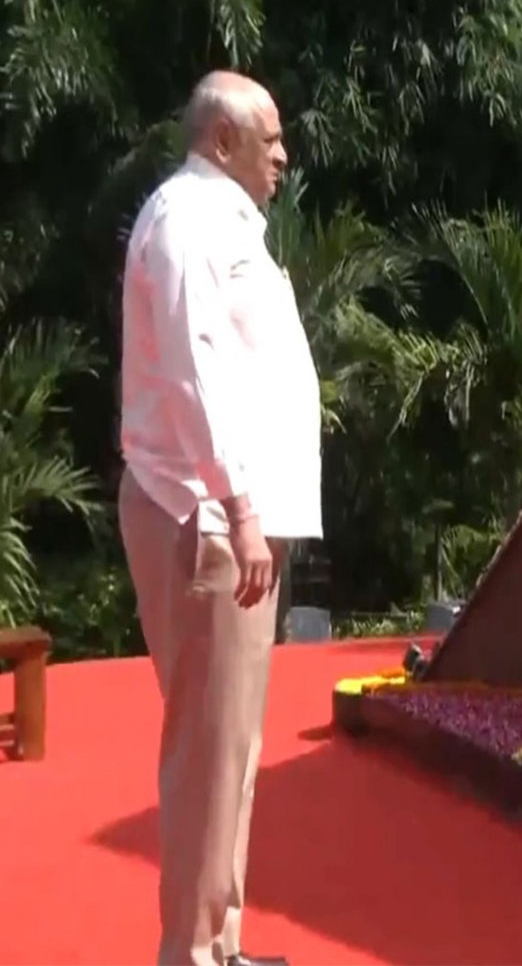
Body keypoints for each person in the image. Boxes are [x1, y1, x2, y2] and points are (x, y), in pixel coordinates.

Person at [118, 70, 322, 966]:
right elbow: (195, 370)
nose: (283, 154)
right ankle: (191, 956)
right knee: (208, 756)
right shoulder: (189, 221)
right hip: (201, 520)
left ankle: (219, 945)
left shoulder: (225, 223)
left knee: (231, 748)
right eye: (270, 136)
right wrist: (238, 508)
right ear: (223, 140)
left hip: (224, 520)